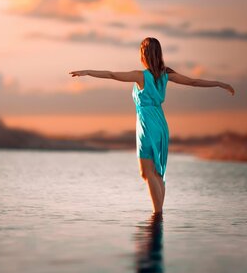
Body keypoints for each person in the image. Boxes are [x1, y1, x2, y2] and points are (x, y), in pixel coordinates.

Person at [69, 37, 235, 214]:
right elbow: (193, 82)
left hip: (147, 125)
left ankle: (157, 215)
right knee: (154, 172)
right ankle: (159, 214)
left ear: (144, 54)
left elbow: (112, 75)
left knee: (147, 173)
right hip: (161, 124)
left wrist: (87, 72)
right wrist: (219, 83)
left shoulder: (141, 76)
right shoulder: (166, 75)